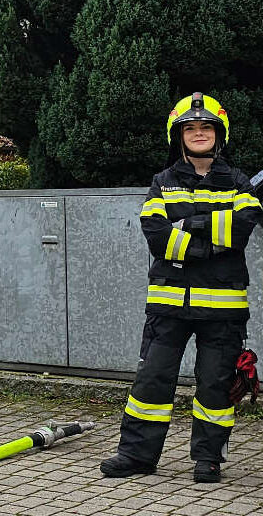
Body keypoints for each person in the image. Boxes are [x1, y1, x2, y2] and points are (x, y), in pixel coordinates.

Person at [100, 92, 262, 483]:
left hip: (223, 310)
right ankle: (137, 456)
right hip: (168, 306)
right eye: (190, 128)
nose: (199, 133)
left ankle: (208, 460)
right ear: (179, 135)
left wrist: (188, 227)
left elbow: (241, 229)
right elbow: (156, 234)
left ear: (219, 133)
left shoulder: (238, 182)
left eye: (206, 127)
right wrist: (213, 236)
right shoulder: (164, 182)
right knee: (151, 383)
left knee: (215, 387)